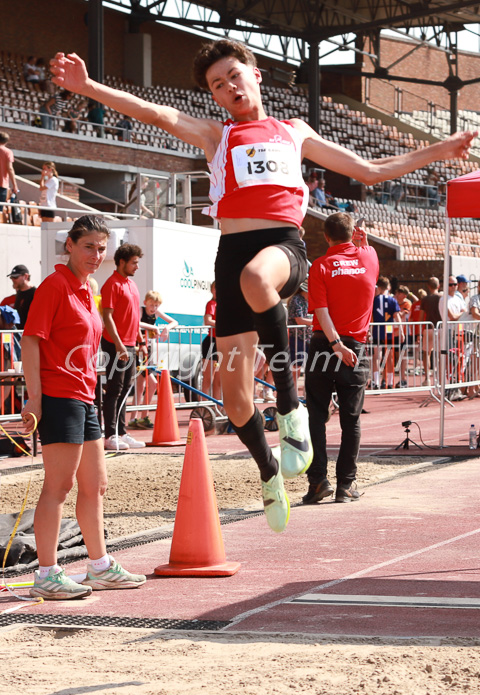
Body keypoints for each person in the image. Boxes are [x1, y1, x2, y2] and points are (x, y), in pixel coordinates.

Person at [49, 40, 476, 534]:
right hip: (230, 255)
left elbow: (371, 170)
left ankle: (290, 407)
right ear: (213, 96)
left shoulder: (294, 132)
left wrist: (441, 151)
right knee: (233, 398)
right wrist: (88, 87)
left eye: (233, 76)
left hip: (282, 249)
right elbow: (156, 112)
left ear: (254, 74)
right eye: (216, 85)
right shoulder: (216, 136)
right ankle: (270, 473)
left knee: (258, 277)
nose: (228, 87)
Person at [21, 215, 146, 600]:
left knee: (96, 485)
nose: (97, 254)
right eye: (89, 246)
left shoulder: (88, 287)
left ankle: (100, 566)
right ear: (70, 245)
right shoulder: (54, 286)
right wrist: (35, 398)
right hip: (59, 396)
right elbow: (30, 341)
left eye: (102, 247)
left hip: (85, 394)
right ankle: (46, 573)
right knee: (59, 486)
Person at [304, 213, 378, 504]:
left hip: (325, 345)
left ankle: (318, 482)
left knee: (316, 418)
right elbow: (367, 251)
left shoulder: (320, 265)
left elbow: (320, 310)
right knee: (351, 420)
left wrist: (335, 343)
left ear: (326, 236)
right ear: (353, 233)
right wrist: (364, 243)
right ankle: (346, 485)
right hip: (354, 348)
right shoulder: (369, 258)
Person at [101, 243, 147, 450]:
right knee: (114, 390)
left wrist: (141, 342)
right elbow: (107, 317)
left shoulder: (131, 284)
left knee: (126, 389)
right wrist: (119, 345)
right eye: (134, 263)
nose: (137, 267)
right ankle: (110, 435)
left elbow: (135, 317)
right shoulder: (111, 284)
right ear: (122, 262)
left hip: (129, 344)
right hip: (115, 344)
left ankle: (121, 432)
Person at [129, 290, 178, 429]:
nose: (153, 308)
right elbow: (136, 324)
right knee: (147, 384)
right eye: (151, 305)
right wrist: (153, 327)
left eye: (156, 306)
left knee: (145, 385)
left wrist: (166, 328)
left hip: (148, 350)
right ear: (145, 303)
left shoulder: (156, 313)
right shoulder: (140, 310)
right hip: (139, 348)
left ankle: (141, 417)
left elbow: (174, 322)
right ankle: (137, 417)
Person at [371, 277, 402, 390]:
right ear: (388, 287)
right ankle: (389, 382)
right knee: (389, 356)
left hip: (377, 328)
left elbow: (371, 316)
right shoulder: (392, 300)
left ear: (378, 288)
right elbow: (396, 316)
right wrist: (401, 331)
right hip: (388, 328)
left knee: (377, 356)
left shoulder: (374, 300)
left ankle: (376, 382)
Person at [287, 280, 313, 393]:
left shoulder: (310, 300)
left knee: (310, 367)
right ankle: (292, 392)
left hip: (309, 337)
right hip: (297, 337)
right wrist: (317, 322)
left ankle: (306, 394)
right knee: (296, 366)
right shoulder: (296, 300)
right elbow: (299, 320)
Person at [201, 281, 222, 400]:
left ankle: (216, 407)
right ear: (211, 290)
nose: (217, 291)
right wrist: (223, 324)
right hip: (211, 343)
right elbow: (207, 320)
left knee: (219, 380)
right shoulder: (211, 304)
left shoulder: (225, 305)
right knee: (208, 378)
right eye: (215, 288)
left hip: (222, 343)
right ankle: (204, 406)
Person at [419, 276, 442, 386]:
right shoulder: (441, 297)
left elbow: (421, 316)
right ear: (439, 286)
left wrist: (419, 332)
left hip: (428, 327)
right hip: (440, 327)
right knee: (439, 353)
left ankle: (427, 378)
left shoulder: (425, 300)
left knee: (426, 353)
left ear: (428, 286)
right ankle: (438, 378)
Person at [7, 264, 36, 330]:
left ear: (26, 276)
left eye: (15, 277)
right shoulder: (19, 293)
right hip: (19, 334)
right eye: (11, 277)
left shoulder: (35, 294)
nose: (12, 279)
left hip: (30, 335)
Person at [0, 132, 19, 211]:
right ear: (6, 141)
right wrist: (15, 185)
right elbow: (10, 168)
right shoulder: (7, 152)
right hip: (1, 184)